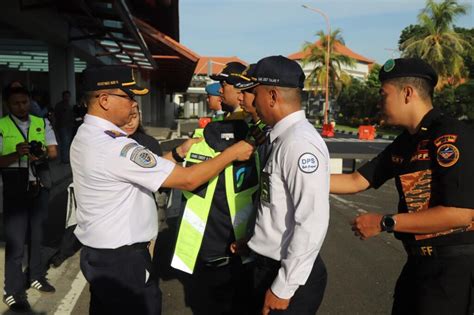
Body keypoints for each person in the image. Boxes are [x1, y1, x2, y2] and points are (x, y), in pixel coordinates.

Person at [70, 65, 253, 315]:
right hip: (123, 264)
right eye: (129, 97)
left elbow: (137, 171)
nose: (135, 104)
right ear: (104, 100)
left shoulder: (86, 134)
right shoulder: (117, 148)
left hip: (99, 256)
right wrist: (232, 153)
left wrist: (178, 152)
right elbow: (187, 180)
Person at [331, 58, 474, 315]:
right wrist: (300, 180)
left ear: (407, 93)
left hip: (453, 271)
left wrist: (385, 222)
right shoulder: (406, 142)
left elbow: (460, 214)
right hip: (418, 265)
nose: (379, 101)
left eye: (383, 94)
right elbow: (356, 180)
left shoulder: (450, 136)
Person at [243, 55, 330, 315]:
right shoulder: (282, 138)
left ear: (271, 96)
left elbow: (311, 220)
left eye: (254, 93)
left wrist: (284, 286)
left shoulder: (298, 144)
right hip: (269, 265)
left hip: (286, 274)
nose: (251, 101)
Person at [0, 86, 58, 312]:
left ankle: (35, 276)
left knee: (37, 236)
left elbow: (54, 152)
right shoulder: (2, 126)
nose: (21, 107)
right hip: (15, 188)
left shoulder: (41, 122)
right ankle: (11, 291)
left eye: (24, 102)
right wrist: (17, 153)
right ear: (7, 105)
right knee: (16, 243)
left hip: (39, 185)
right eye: (16, 103)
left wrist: (41, 154)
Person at [54, 90, 75, 163]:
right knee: (65, 142)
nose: (67, 97)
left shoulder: (70, 105)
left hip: (69, 126)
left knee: (67, 142)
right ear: (63, 97)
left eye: (68, 96)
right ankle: (64, 159)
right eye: (66, 96)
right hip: (62, 126)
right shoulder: (59, 105)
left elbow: (72, 116)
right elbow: (56, 116)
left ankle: (65, 158)